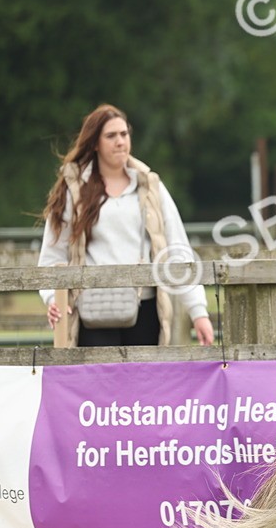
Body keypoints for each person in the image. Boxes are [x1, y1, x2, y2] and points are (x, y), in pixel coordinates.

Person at [38, 104, 214, 347]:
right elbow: (51, 256)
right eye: (111, 136)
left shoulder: (150, 186)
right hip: (93, 308)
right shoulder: (74, 190)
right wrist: (52, 299)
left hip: (145, 307)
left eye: (124, 134)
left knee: (143, 383)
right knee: (99, 384)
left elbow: (177, 248)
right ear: (95, 143)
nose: (120, 141)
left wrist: (198, 311)